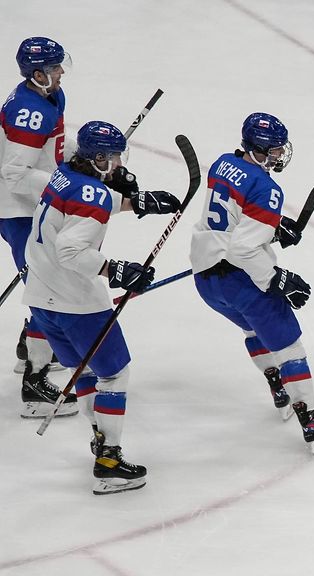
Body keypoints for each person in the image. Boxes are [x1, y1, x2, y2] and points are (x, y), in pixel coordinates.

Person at [23, 120, 181, 494]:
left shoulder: (63, 176)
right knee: (114, 374)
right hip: (77, 303)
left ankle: (100, 437)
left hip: (41, 301)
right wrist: (116, 270)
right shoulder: (92, 194)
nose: (117, 163)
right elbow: (72, 249)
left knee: (89, 373)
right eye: (111, 157)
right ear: (96, 158)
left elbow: (80, 205)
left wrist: (133, 202)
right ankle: (108, 460)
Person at [189, 112, 314, 455]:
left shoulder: (223, 164)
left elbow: (234, 216)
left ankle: (277, 387)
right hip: (241, 280)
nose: (279, 155)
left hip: (206, 279)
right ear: (256, 149)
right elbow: (242, 247)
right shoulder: (268, 188)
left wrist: (273, 224)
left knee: (253, 331)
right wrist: (277, 277)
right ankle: (311, 422)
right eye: (273, 149)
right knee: (290, 348)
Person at [1, 37, 72, 412]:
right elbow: (15, 173)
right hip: (18, 209)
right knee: (48, 289)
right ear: (39, 73)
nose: (62, 72)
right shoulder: (30, 110)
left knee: (46, 284)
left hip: (31, 206)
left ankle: (30, 346)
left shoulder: (48, 97)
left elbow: (52, 148)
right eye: (56, 67)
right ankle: (34, 385)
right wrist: (68, 185)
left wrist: (85, 159)